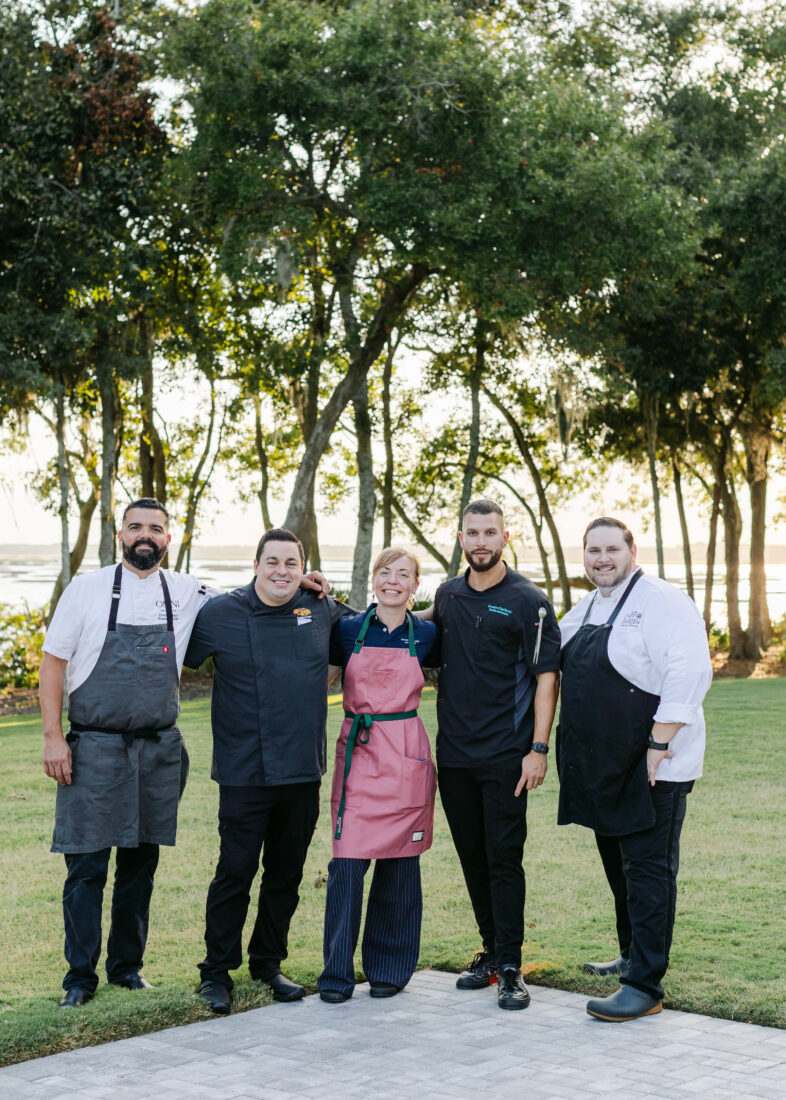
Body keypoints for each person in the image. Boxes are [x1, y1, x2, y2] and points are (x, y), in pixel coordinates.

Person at [40, 498, 210, 1008]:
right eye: (135, 526)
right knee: (87, 867)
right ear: (120, 534)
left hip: (159, 751)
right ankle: (79, 978)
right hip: (93, 747)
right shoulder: (86, 589)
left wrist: (306, 581)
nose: (145, 535)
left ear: (168, 538)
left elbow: (258, 599)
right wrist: (52, 737)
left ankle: (127, 968)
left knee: (141, 864)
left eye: (155, 529)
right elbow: (52, 665)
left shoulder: (188, 592)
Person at [183, 528, 353, 1015]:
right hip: (243, 769)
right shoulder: (220, 614)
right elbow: (175, 657)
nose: (282, 571)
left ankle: (267, 963)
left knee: (286, 873)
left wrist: (332, 593)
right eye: (272, 561)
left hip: (302, 768)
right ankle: (216, 973)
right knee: (234, 872)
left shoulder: (320, 608)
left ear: (305, 569)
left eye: (292, 563)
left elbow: (369, 628)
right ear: (256, 564)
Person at [557, 517, 712, 1022]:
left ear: (632, 550)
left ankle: (644, 985)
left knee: (647, 873)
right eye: (593, 550)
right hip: (606, 768)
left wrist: (658, 742)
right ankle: (630, 953)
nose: (602, 558)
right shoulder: (585, 607)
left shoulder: (665, 601)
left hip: (654, 767)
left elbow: (691, 671)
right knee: (618, 868)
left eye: (611, 549)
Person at [431, 499, 561, 1010]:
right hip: (455, 757)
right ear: (461, 538)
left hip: (507, 755)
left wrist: (538, 748)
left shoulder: (529, 601)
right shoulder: (447, 596)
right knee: (472, 858)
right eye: (472, 533)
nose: (480, 541)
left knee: (504, 859)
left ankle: (511, 967)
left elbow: (546, 678)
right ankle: (490, 951)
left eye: (490, 532)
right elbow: (415, 628)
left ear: (506, 538)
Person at [318, 548, 438, 1003]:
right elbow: (320, 681)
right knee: (346, 866)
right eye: (385, 572)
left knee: (400, 867)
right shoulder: (347, 629)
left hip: (406, 753)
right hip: (360, 755)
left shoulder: (427, 634)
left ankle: (389, 969)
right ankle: (336, 974)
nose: (392, 581)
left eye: (403, 574)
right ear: (373, 579)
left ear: (414, 585)